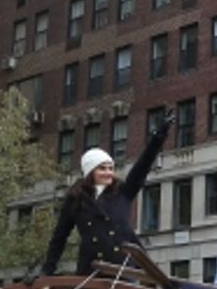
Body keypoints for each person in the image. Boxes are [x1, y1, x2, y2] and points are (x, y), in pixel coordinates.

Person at [41, 111, 175, 277]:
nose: (108, 173)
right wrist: (47, 270)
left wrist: (157, 137)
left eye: (111, 168)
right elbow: (59, 237)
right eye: (102, 168)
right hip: (91, 270)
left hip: (124, 268)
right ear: (90, 171)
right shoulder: (75, 200)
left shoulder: (123, 192)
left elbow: (142, 166)